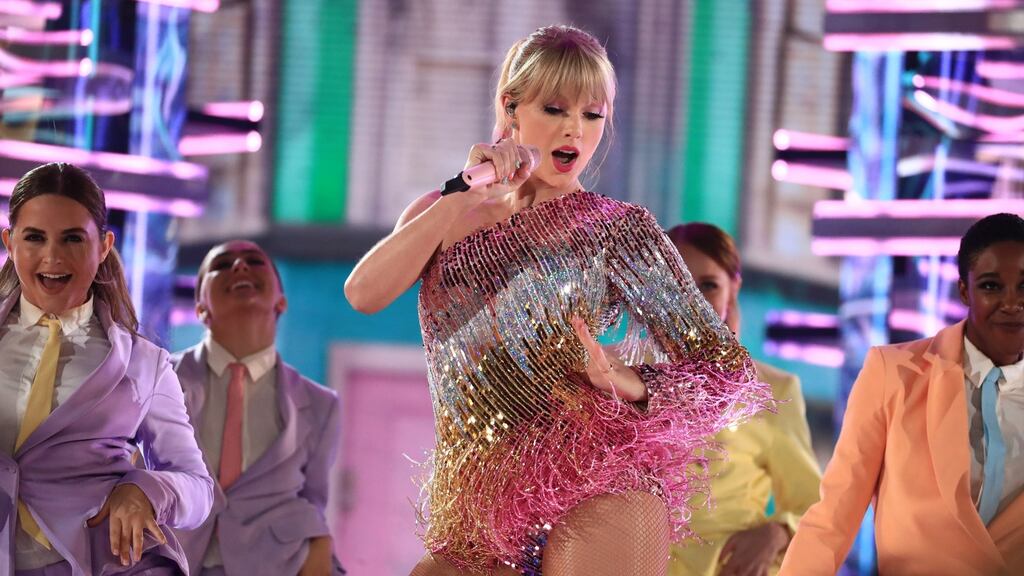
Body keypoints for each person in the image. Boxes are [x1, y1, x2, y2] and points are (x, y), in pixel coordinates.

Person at [345, 24, 771, 576]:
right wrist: (463, 194)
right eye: (555, 108)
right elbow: (363, 294)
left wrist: (629, 383)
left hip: (600, 483)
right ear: (511, 107)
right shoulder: (443, 210)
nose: (574, 129)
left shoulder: (618, 229)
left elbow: (727, 373)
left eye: (592, 115)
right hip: (479, 506)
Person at [779, 212, 1024, 575]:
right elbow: (832, 520)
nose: (1011, 302)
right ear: (963, 290)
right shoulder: (892, 374)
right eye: (991, 286)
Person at [0, 162, 213, 575]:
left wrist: (144, 489)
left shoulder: (144, 364)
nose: (52, 256)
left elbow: (198, 489)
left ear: (103, 246)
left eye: (73, 239)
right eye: (35, 238)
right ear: (9, 242)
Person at [170, 240, 344, 576]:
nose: (240, 266)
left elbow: (312, 504)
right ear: (200, 309)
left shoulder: (322, 405)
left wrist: (321, 551)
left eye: (254, 261)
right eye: (222, 265)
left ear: (281, 301)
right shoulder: (157, 381)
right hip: (171, 562)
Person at [665, 223, 821, 576]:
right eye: (678, 284)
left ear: (733, 289)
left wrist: (776, 533)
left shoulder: (772, 389)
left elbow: (814, 502)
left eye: (708, 285)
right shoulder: (617, 379)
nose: (693, 301)